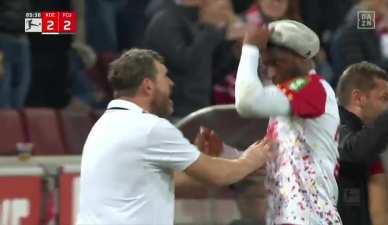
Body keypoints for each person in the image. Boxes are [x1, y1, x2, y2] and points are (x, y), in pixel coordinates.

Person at [76, 48, 273, 225]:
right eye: (165, 76)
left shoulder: (104, 125)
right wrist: (252, 158)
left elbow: (170, 180)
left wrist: (201, 160)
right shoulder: (150, 128)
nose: (171, 83)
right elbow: (219, 176)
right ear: (148, 86)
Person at [235, 20, 342, 224]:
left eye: (277, 63)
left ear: (302, 59)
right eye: (266, 66)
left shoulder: (312, 87)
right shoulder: (286, 105)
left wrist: (249, 49)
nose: (271, 73)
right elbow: (265, 161)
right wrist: (226, 154)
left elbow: (247, 103)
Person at [335, 62, 388, 225]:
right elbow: (354, 151)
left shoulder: (365, 134)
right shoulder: (331, 125)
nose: (387, 108)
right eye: (384, 98)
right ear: (358, 98)